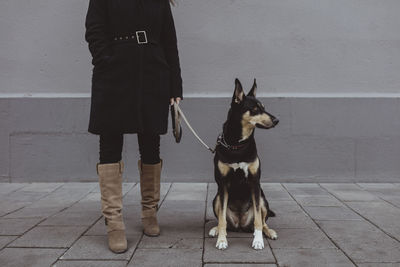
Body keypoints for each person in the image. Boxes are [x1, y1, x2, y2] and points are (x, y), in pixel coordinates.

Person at [84, 0, 183, 253]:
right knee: (110, 145)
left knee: (151, 145)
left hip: (153, 73)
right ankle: (114, 222)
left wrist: (175, 88)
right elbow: (94, 30)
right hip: (114, 75)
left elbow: (170, 42)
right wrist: (107, 60)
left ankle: (150, 213)